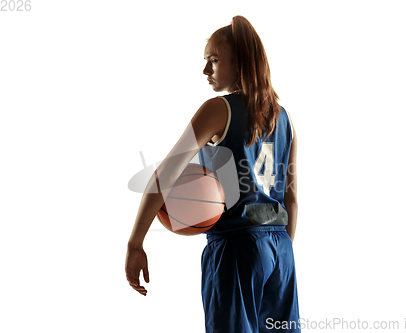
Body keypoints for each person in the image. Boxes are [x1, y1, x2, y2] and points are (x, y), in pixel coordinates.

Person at [126, 15, 300, 333]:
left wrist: (135, 244)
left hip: (237, 247)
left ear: (240, 62)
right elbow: (291, 198)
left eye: (213, 61)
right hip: (280, 249)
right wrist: (278, 254)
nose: (206, 71)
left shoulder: (219, 109)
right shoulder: (283, 117)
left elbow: (164, 175)